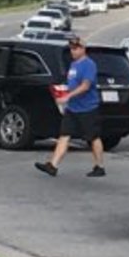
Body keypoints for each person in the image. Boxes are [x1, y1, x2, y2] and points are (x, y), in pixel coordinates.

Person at [35, 37, 105, 178]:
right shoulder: (73, 65)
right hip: (73, 108)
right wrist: (64, 95)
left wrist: (68, 96)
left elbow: (85, 86)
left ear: (83, 49)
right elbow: (71, 84)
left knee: (93, 137)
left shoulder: (88, 65)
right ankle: (53, 165)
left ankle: (99, 166)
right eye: (72, 48)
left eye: (76, 48)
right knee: (64, 135)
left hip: (87, 108)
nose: (73, 51)